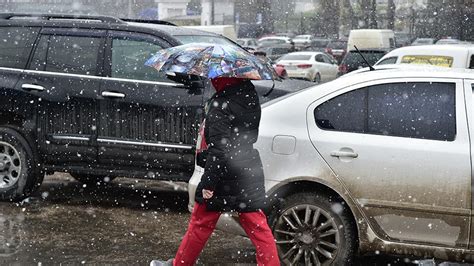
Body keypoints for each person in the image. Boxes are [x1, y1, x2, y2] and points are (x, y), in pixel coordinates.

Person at [151, 77, 280, 266]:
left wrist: (208, 184)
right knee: (257, 226)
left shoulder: (222, 104)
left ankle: (181, 264)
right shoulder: (249, 96)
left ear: (223, 78)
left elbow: (219, 150)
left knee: (200, 223)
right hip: (247, 167)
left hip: (224, 173)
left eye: (215, 77)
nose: (211, 80)